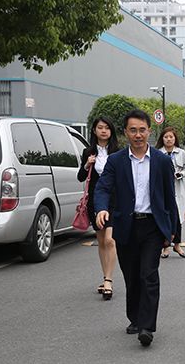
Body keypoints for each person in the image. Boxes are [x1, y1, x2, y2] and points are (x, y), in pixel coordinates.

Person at [94, 109, 177, 347]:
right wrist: (101, 208)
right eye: (133, 130)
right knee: (131, 276)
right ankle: (135, 317)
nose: (138, 135)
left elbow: (169, 198)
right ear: (125, 133)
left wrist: (172, 230)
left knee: (148, 275)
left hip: (152, 226)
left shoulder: (162, 161)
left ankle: (147, 327)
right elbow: (103, 188)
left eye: (142, 130)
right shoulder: (116, 160)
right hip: (126, 226)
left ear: (150, 131)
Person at [77, 116, 119, 300]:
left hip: (115, 200)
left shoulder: (118, 152)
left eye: (107, 128)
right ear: (94, 130)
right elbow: (81, 177)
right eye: (100, 127)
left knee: (110, 240)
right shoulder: (88, 151)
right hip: (95, 200)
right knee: (101, 241)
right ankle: (105, 276)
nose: (103, 131)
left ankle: (109, 280)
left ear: (111, 131)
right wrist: (88, 164)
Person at [157, 127, 185, 259]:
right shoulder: (158, 153)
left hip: (177, 188)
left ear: (175, 138)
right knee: (165, 218)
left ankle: (177, 244)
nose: (169, 139)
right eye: (166, 137)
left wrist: (180, 174)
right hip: (162, 189)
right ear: (162, 139)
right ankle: (165, 246)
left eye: (171, 137)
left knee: (177, 218)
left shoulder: (181, 153)